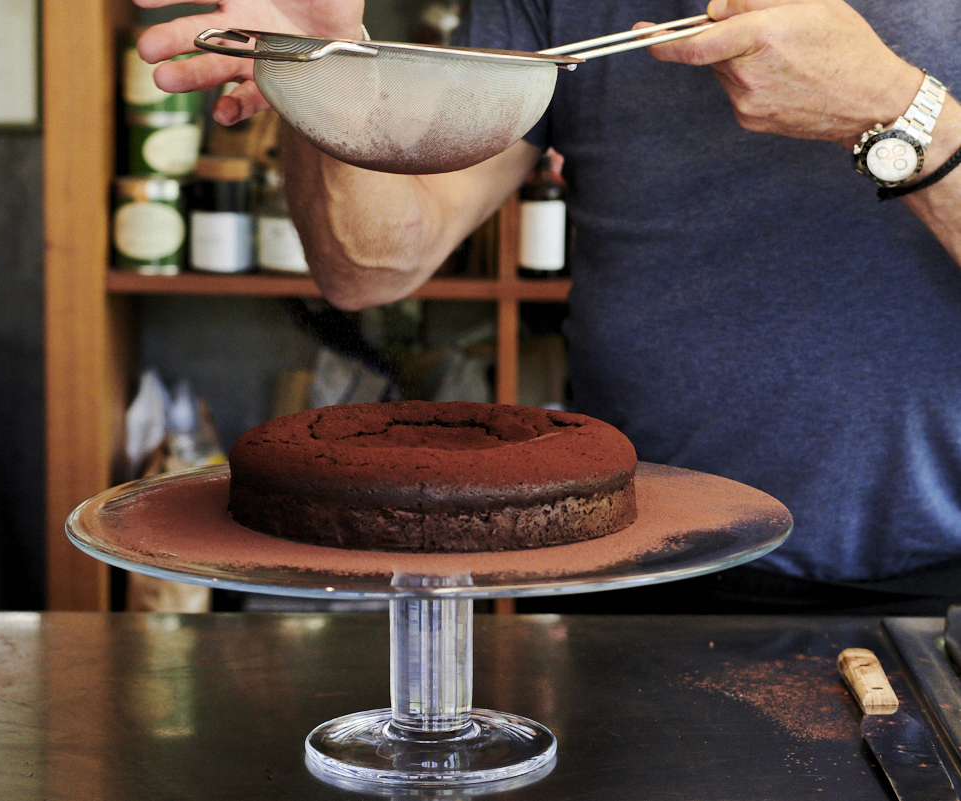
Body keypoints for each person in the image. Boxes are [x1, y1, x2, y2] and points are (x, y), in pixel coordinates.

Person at [135, 0, 961, 614]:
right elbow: (372, 266)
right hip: (628, 566)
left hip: (938, 592)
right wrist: (324, 74)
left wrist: (894, 107)